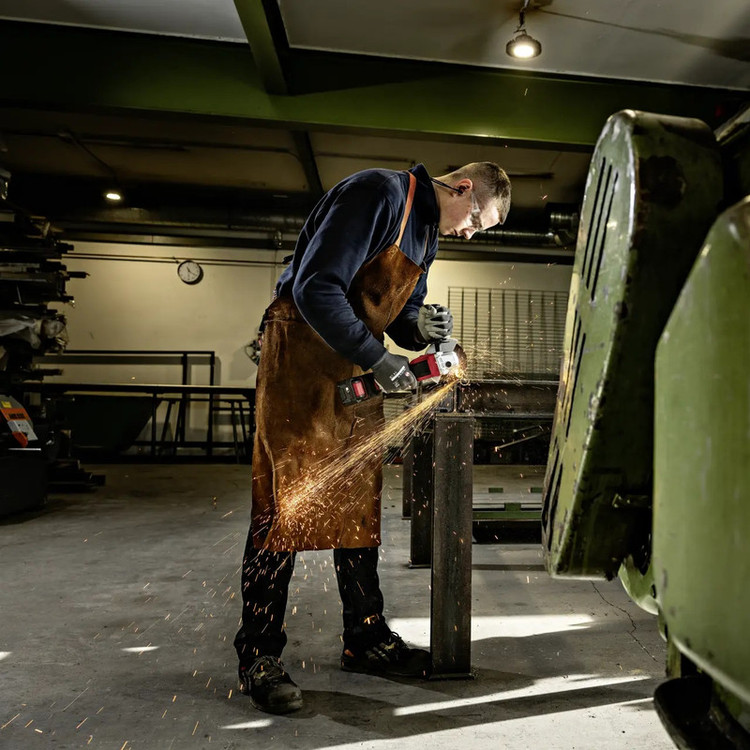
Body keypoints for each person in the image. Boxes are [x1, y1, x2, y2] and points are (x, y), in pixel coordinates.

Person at [234, 161, 511, 714]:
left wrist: (418, 327)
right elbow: (316, 288)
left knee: (359, 502)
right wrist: (378, 357)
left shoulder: (428, 231)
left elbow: (400, 314)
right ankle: (259, 654)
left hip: (355, 364)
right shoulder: (378, 194)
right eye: (476, 221)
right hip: (301, 355)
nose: (469, 233)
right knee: (283, 504)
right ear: (464, 189)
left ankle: (364, 636)